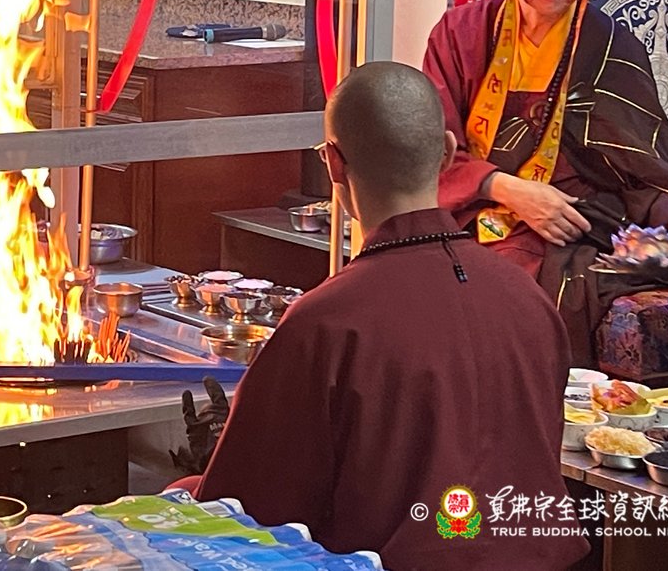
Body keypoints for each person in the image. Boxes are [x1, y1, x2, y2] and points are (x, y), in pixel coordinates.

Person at [193, 62, 585, 571]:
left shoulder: (326, 323)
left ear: (334, 163)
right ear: (448, 152)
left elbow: (248, 515)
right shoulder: (529, 299)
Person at [424, 0, 668, 361]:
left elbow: (644, 169)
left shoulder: (609, 44)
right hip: (470, 211)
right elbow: (428, 150)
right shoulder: (460, 33)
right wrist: (506, 188)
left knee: (542, 279)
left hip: (573, 224)